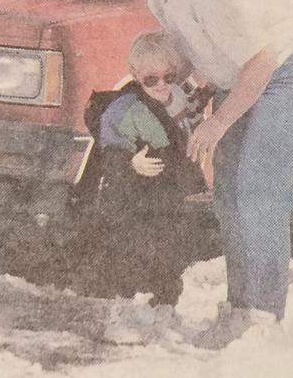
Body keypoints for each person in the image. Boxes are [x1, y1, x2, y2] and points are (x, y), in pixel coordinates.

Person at [93, 0, 293, 347]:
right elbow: (195, 50)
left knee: (257, 190)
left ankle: (261, 321)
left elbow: (261, 59)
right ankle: (239, 311)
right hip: (248, 74)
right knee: (228, 191)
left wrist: (216, 122)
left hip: (292, 71)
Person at [81, 31, 206, 306]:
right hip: (134, 198)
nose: (162, 85)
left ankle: (164, 307)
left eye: (168, 77)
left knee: (170, 255)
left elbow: (191, 116)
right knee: (130, 254)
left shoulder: (176, 98)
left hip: (168, 194)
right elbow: (110, 152)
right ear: (135, 74)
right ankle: (123, 309)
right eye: (151, 80)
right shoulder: (125, 109)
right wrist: (130, 162)